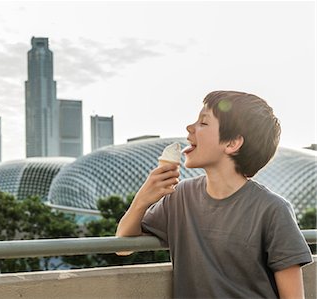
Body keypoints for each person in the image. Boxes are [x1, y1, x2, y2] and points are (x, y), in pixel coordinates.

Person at [116, 91, 313, 298]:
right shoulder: (180, 196)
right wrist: (142, 199)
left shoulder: (273, 209)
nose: (189, 128)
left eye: (203, 123)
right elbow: (123, 247)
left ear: (232, 143)